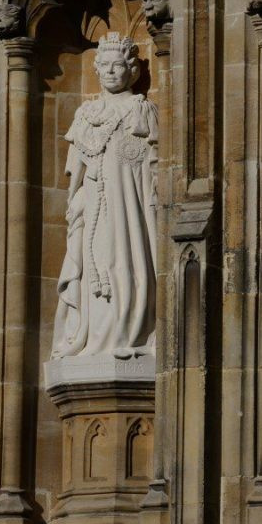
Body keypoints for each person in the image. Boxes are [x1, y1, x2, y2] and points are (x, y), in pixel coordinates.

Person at [51, 32, 157, 360]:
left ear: (132, 71)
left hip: (130, 208)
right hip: (96, 206)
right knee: (94, 273)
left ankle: (129, 334)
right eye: (105, 66)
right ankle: (96, 340)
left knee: (125, 264)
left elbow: (153, 167)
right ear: (96, 69)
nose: (111, 72)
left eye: (118, 66)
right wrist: (76, 206)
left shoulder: (141, 110)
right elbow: (76, 175)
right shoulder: (86, 114)